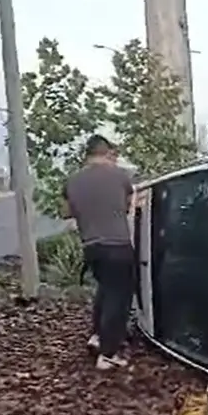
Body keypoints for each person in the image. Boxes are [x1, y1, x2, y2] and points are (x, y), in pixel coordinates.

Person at [63, 135, 136, 370]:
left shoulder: (72, 181)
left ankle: (97, 336)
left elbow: (66, 212)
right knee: (119, 296)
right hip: (117, 244)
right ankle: (109, 354)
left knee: (105, 289)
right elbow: (126, 207)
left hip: (91, 246)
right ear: (107, 152)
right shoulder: (120, 175)